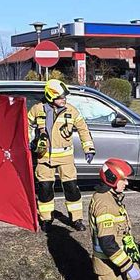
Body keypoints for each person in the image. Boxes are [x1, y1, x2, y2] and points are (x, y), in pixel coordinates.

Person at [28, 79, 95, 232]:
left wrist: (89, 149)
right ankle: (46, 219)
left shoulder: (71, 111)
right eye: (60, 97)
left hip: (66, 159)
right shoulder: (38, 110)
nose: (63, 100)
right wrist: (30, 140)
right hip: (44, 158)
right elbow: (26, 124)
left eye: (64, 97)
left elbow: (84, 130)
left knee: (71, 188)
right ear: (50, 97)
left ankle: (76, 219)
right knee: (45, 190)